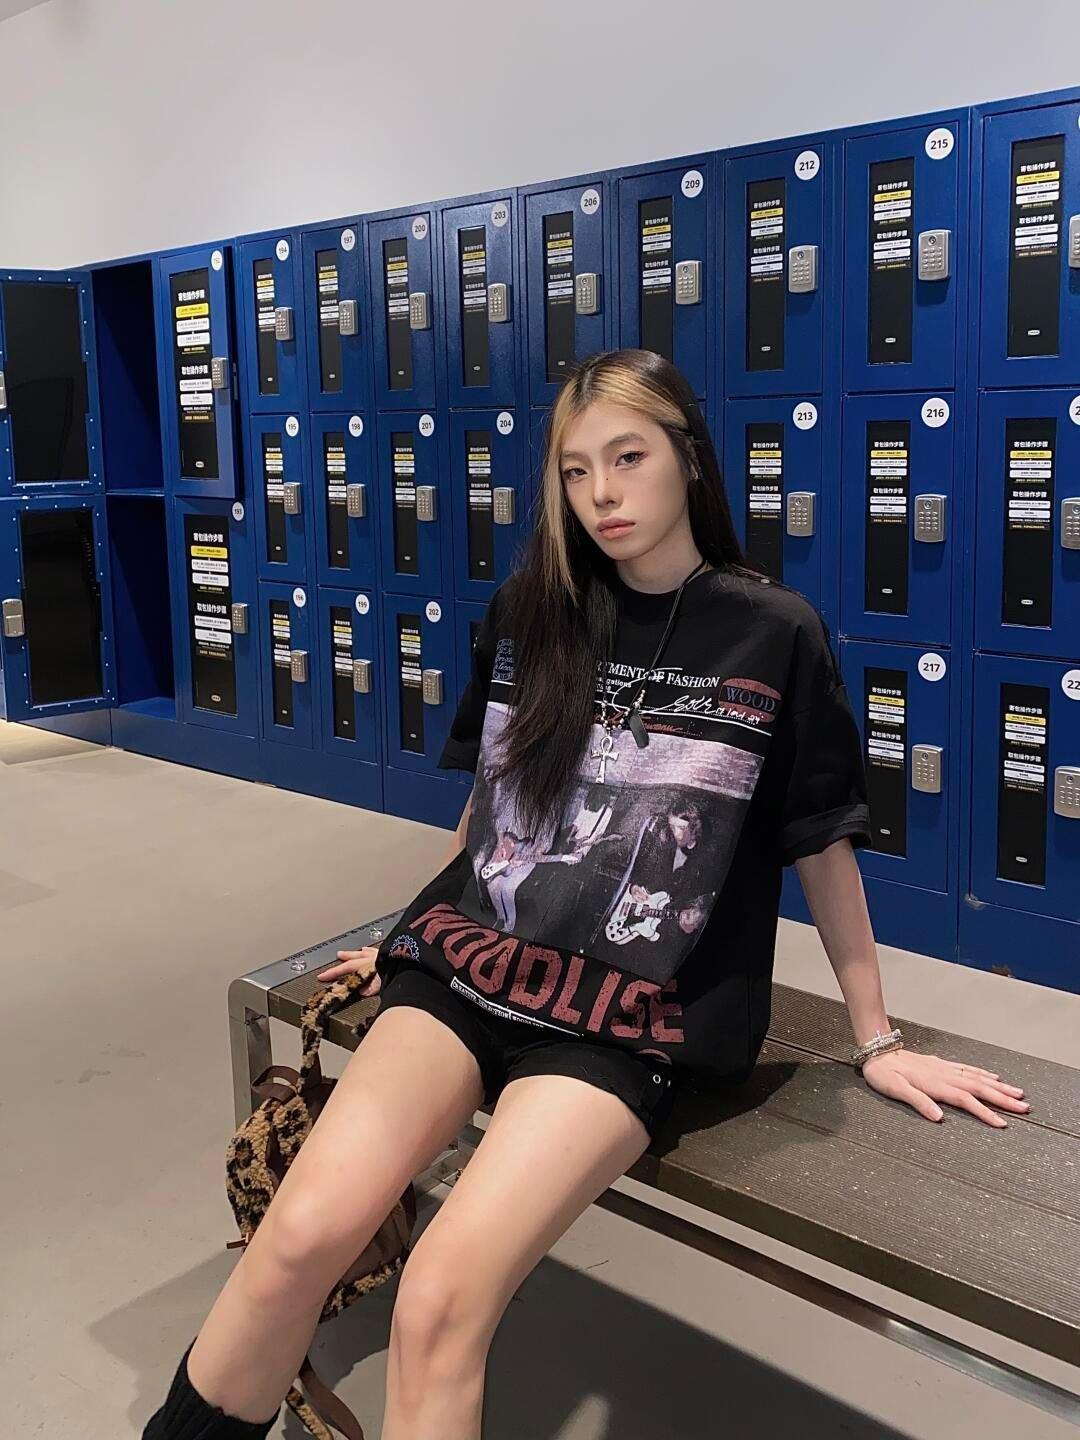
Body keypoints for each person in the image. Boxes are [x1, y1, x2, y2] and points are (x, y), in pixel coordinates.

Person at [143, 349, 1030, 1439]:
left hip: (624, 1015)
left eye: (628, 457)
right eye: (574, 470)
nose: (601, 493)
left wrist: (878, 1041)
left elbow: (821, 844)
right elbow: (492, 805)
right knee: (294, 1239)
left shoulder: (772, 632)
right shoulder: (534, 610)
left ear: (688, 461)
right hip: (468, 969)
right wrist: (406, 934)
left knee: (438, 1302)